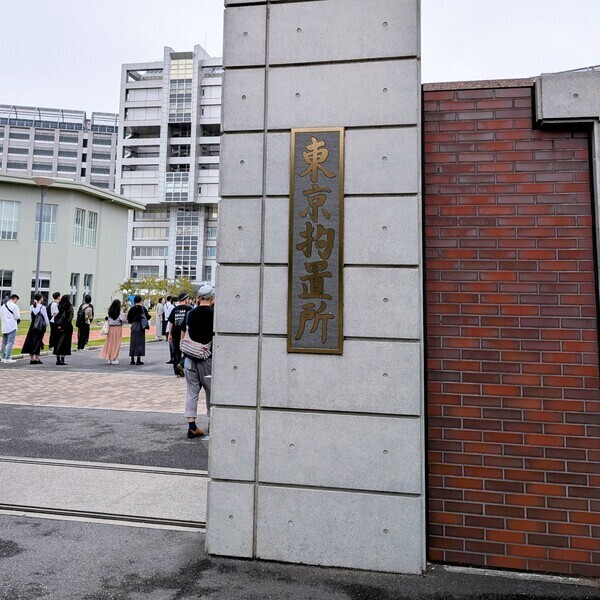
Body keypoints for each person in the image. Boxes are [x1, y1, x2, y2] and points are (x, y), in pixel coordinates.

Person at [183, 285, 214, 439]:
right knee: (211, 392)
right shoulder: (215, 314)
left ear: (199, 298)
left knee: (192, 392)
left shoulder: (190, 313)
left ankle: (191, 426)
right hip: (207, 357)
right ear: (212, 298)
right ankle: (212, 423)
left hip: (190, 357)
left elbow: (185, 331)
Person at [168, 292, 192, 377]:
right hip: (186, 333)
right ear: (185, 299)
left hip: (175, 333)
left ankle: (177, 370)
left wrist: (169, 334)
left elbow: (171, 322)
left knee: (176, 352)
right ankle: (181, 365)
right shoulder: (189, 309)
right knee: (187, 351)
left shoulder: (175, 309)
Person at [22, 293, 50, 364]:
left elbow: (31, 318)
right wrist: (45, 325)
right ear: (41, 298)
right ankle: (37, 358)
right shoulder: (42, 307)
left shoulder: (32, 306)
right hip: (39, 328)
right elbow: (46, 319)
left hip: (32, 327)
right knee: (38, 342)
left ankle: (32, 358)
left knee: (30, 341)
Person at [99, 299, 127, 365]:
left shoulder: (110, 312)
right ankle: (114, 358)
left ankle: (109, 358)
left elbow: (108, 319)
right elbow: (124, 320)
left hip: (111, 328)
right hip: (118, 328)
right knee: (116, 343)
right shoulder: (120, 313)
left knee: (110, 343)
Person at [127, 294, 150, 365]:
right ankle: (138, 359)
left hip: (133, 325)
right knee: (140, 342)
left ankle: (132, 359)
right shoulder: (142, 308)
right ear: (140, 300)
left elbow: (129, 319)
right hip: (140, 326)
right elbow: (147, 317)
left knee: (133, 342)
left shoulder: (132, 309)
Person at [53, 295, 74, 365]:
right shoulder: (69, 307)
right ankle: (62, 359)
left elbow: (55, 316)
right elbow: (70, 318)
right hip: (66, 327)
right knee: (65, 343)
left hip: (58, 326)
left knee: (58, 342)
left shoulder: (59, 306)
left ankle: (57, 359)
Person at [1, 294, 21, 364]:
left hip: (4, 326)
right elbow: (17, 316)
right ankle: (8, 357)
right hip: (12, 326)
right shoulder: (14, 306)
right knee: (11, 342)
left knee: (4, 342)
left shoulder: (3, 306)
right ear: (15, 299)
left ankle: (3, 357)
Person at [164, 295, 174, 362]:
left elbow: (167, 315)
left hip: (168, 323)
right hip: (171, 325)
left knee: (171, 344)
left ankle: (172, 358)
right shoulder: (172, 307)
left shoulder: (167, 306)